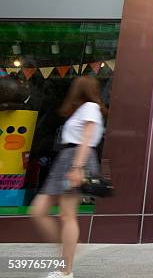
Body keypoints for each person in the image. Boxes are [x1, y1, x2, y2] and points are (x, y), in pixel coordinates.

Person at [31, 76, 107, 278]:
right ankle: (68, 247)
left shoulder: (90, 107)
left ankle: (66, 269)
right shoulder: (82, 110)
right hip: (66, 158)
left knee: (66, 215)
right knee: (38, 210)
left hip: (76, 159)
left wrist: (77, 167)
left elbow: (88, 138)